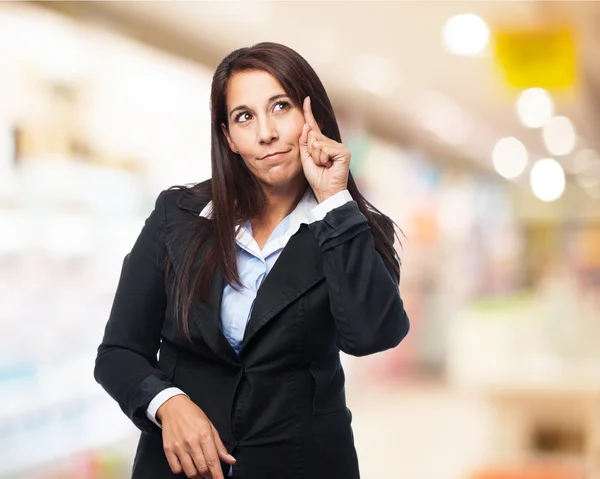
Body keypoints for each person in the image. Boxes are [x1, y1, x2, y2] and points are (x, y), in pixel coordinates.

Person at [94, 42, 409, 479]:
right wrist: (167, 403)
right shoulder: (178, 217)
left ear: (311, 116)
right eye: (245, 117)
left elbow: (371, 335)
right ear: (229, 138)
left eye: (280, 107)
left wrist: (334, 200)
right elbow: (119, 352)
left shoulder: (349, 226)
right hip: (181, 469)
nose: (266, 133)